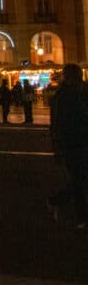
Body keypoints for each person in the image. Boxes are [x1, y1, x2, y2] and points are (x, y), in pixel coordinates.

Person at [47, 64, 88, 230]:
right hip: (71, 143)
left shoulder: (80, 93)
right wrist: (58, 149)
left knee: (81, 179)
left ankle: (56, 201)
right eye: (77, 77)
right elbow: (56, 124)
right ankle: (82, 217)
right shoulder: (62, 97)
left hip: (81, 141)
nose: (80, 80)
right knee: (79, 181)